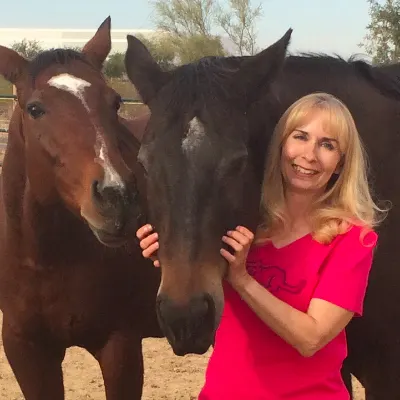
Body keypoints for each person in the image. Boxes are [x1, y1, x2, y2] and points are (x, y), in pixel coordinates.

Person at [136, 92, 387, 399]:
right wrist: (170, 255)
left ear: (340, 164)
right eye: (301, 137)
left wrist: (242, 279)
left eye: (328, 145)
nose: (310, 154)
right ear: (282, 145)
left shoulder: (352, 239)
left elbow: (311, 337)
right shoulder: (245, 227)